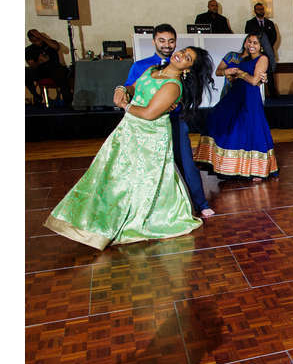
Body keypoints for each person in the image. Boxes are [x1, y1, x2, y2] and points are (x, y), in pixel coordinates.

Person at [45, 47, 213, 249]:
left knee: (138, 181)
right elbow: (133, 87)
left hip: (149, 136)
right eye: (184, 51)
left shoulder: (173, 86)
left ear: (188, 68)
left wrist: (125, 106)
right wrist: (122, 90)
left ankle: (131, 220)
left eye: (187, 58)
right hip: (128, 129)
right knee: (110, 172)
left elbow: (150, 113)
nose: (180, 55)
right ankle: (94, 218)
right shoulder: (152, 70)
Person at [113, 24, 214, 218]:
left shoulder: (182, 69)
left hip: (174, 121)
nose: (167, 45)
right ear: (154, 41)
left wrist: (176, 102)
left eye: (171, 41)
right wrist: (120, 89)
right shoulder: (144, 66)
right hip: (144, 123)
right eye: (162, 40)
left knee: (185, 162)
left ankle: (200, 203)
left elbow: (191, 91)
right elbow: (129, 88)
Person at [195, 33, 278, 181]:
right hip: (236, 95)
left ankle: (257, 170)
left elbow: (254, 82)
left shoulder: (263, 59)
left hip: (249, 98)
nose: (251, 45)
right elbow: (225, 73)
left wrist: (240, 73)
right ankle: (228, 164)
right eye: (249, 41)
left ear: (262, 47)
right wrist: (232, 75)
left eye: (256, 43)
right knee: (222, 121)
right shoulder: (244, 58)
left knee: (252, 129)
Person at [26, 29, 68, 104]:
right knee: (25, 72)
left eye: (38, 39)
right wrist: (39, 61)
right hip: (40, 71)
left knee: (62, 72)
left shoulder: (49, 43)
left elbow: (57, 47)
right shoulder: (29, 50)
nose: (38, 42)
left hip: (54, 68)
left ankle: (67, 100)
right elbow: (32, 65)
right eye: (34, 40)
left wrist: (41, 37)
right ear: (30, 40)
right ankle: (36, 96)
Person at [245, 2, 278, 96]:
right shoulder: (249, 23)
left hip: (268, 52)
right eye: (258, 9)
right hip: (255, 53)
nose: (261, 11)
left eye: (262, 9)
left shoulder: (270, 23)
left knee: (270, 73)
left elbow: (274, 37)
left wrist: (266, 46)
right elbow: (248, 36)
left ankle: (273, 95)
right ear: (255, 11)